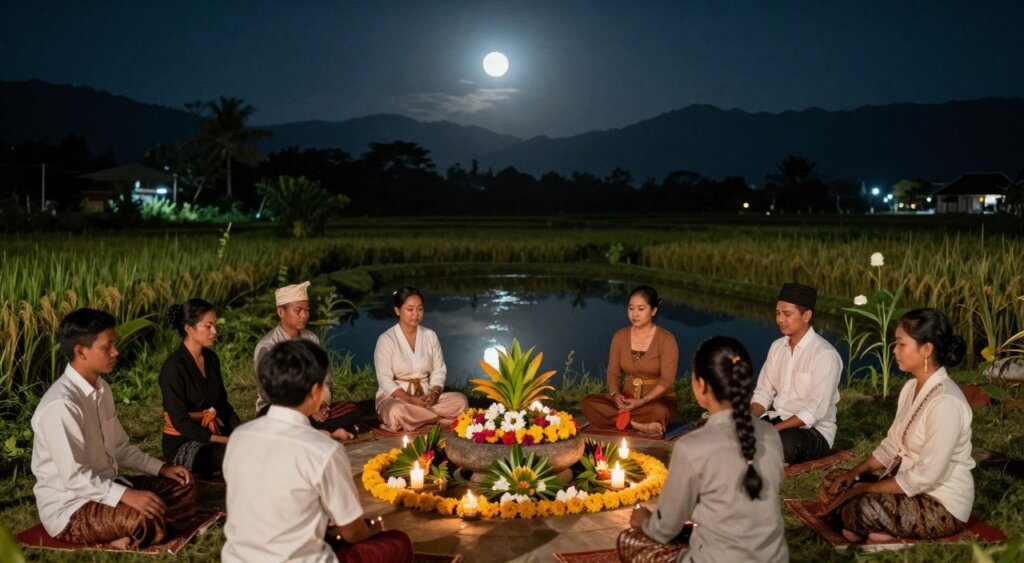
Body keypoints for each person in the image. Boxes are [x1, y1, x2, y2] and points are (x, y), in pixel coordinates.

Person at [223, 340, 414, 563]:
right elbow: (352, 532)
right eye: (323, 385)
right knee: (397, 542)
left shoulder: (240, 437)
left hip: (239, 558)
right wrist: (373, 529)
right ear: (314, 392)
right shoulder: (323, 450)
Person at [31, 308, 196, 550]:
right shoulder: (61, 405)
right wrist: (125, 496)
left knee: (183, 489)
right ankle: (113, 535)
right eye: (107, 346)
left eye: (114, 344)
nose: (115, 352)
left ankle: (129, 527)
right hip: (72, 506)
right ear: (80, 351)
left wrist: (162, 468)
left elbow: (120, 447)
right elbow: (74, 477)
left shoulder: (102, 389)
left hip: (110, 484)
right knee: (143, 519)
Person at [619, 336, 788, 562]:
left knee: (629, 541)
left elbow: (664, 528)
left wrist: (644, 521)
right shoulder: (771, 434)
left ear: (702, 386)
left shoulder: (691, 447)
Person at [819, 308, 973, 542]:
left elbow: (927, 476)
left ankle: (865, 525)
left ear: (926, 349)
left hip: (939, 502)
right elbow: (892, 445)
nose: (895, 350)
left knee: (861, 506)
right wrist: (854, 474)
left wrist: (866, 489)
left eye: (901, 344)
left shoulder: (947, 402)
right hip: (905, 488)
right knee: (834, 482)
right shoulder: (910, 388)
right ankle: (869, 527)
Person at [254, 281, 359, 441]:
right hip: (279, 409)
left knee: (351, 409)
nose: (304, 315)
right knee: (273, 419)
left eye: (307, 310)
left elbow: (324, 380)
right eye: (298, 310)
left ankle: (315, 432)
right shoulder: (268, 346)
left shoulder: (312, 338)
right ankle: (328, 433)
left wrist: (321, 405)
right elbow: (268, 393)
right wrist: (305, 410)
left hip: (314, 404)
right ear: (281, 312)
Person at [751, 282, 842, 464]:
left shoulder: (824, 354)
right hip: (777, 420)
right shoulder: (777, 347)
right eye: (777, 313)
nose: (780, 319)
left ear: (806, 315)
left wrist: (773, 430)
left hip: (812, 431)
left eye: (787, 314)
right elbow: (763, 393)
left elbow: (813, 411)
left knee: (785, 444)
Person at [581, 285, 679, 436]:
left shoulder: (666, 339)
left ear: (653, 311)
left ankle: (619, 420)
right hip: (627, 400)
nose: (635, 314)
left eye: (641, 309)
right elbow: (613, 372)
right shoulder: (620, 336)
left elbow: (667, 381)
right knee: (589, 403)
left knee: (661, 411)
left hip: (655, 401)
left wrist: (643, 401)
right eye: (631, 308)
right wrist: (615, 395)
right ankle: (638, 425)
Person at [159, 298, 240, 476]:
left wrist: (238, 430)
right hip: (183, 441)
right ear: (189, 328)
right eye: (208, 326)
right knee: (229, 454)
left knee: (255, 441)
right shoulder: (173, 368)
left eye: (215, 325)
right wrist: (224, 440)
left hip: (211, 432)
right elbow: (180, 421)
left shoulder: (211, 359)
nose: (214, 331)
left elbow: (222, 404)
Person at [373, 287, 467, 431]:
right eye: (410, 309)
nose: (416, 314)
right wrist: (410, 400)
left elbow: (438, 370)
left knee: (461, 401)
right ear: (398, 311)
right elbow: (385, 380)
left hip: (425, 398)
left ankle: (419, 420)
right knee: (396, 411)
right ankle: (439, 419)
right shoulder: (386, 339)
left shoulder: (430, 336)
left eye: (420, 309)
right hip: (396, 399)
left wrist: (434, 394)